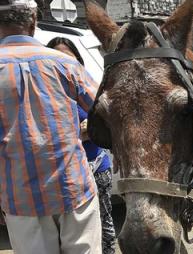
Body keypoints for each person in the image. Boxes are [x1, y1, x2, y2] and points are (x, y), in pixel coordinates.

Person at [0, 1, 102, 253]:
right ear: (34, 21)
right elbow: (105, 112)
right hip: (74, 189)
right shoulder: (65, 64)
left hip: (20, 197)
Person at [47, 37, 116, 254]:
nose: (66, 63)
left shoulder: (87, 86)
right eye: (58, 58)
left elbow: (110, 119)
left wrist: (92, 129)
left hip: (98, 169)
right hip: (66, 177)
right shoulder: (45, 96)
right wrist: (78, 132)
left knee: (106, 230)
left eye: (70, 57)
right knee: (73, 236)